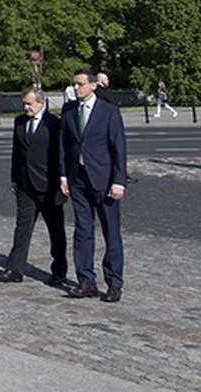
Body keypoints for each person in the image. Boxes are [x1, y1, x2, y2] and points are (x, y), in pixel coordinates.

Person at [60, 69, 127, 302]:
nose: (76, 88)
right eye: (74, 84)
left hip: (104, 179)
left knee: (111, 232)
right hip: (77, 179)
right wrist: (63, 176)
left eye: (80, 84)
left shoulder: (108, 112)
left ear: (93, 86)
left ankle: (114, 283)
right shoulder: (69, 111)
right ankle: (86, 281)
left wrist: (119, 181)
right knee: (82, 231)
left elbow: (118, 147)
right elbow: (64, 146)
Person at [0, 88, 67, 287]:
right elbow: (17, 153)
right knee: (22, 227)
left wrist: (62, 185)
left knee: (55, 229)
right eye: (24, 104)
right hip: (25, 184)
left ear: (41, 103)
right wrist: (14, 179)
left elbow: (60, 156)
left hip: (48, 184)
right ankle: (15, 268)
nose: (26, 107)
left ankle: (59, 270)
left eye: (29, 104)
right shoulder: (20, 121)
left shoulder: (54, 124)